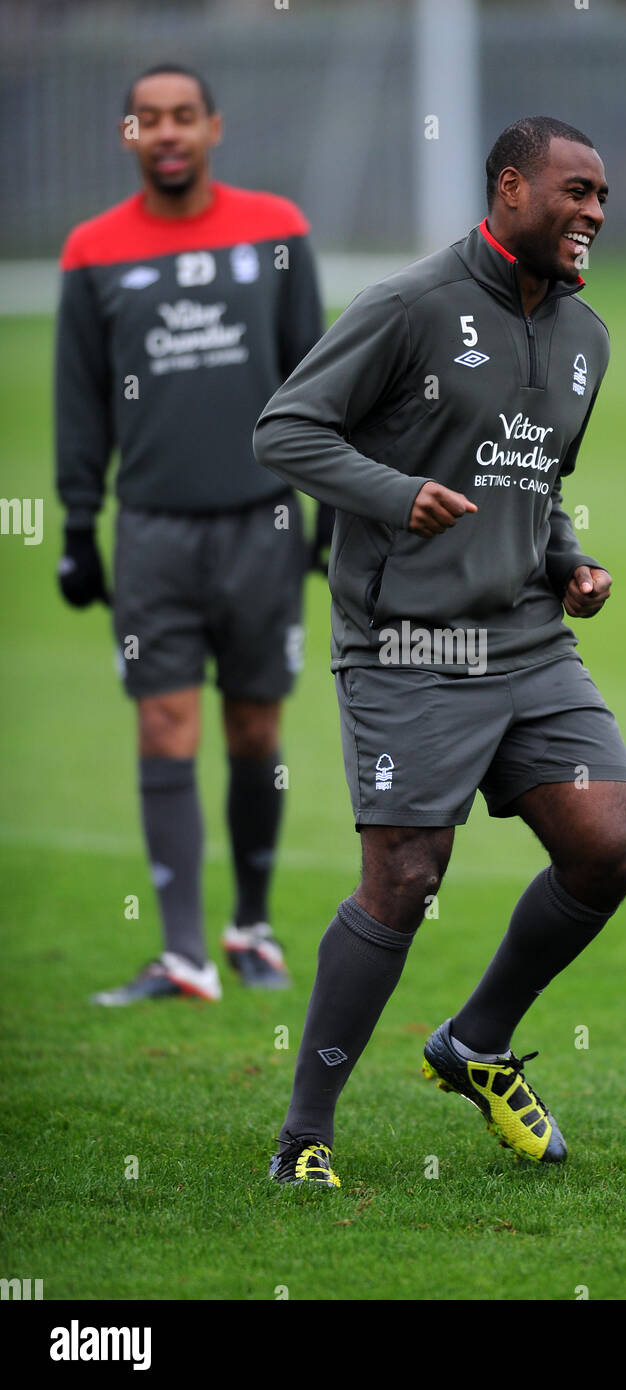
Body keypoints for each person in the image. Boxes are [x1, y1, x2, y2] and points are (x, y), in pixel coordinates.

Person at [254, 116, 626, 1187]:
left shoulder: (586, 338)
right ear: (510, 188)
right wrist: (393, 496)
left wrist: (566, 560)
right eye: (574, 191)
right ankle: (303, 1138)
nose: (593, 214)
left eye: (602, 196)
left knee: (608, 840)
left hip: (526, 636)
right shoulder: (408, 306)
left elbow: (534, 478)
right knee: (406, 876)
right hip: (407, 641)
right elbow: (284, 428)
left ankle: (472, 1042)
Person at [55, 64, 326, 1004]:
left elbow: (316, 376)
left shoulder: (278, 228)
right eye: (148, 120)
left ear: (215, 126)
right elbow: (81, 398)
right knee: (164, 723)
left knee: (255, 723)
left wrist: (332, 504)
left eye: (184, 117)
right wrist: (79, 521)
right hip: (154, 535)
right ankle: (182, 956)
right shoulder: (92, 250)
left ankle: (251, 929)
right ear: (130, 136)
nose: (167, 133)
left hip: (262, 525)